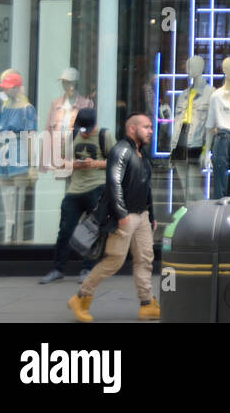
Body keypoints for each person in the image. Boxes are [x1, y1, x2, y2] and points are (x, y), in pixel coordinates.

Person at [67, 114, 158, 322]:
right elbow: (113, 184)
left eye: (151, 127)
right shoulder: (121, 151)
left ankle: (147, 304)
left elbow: (146, 186)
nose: (151, 130)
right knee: (114, 261)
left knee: (145, 259)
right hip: (125, 217)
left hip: (141, 215)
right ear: (132, 129)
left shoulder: (142, 155)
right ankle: (81, 297)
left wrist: (151, 214)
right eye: (146, 127)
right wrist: (121, 214)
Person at [41, 109, 114, 284]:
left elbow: (117, 161)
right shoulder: (72, 136)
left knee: (92, 231)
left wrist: (95, 163)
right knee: (65, 230)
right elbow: (59, 162)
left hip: (97, 187)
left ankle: (87, 268)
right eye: (82, 130)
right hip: (75, 189)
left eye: (88, 129)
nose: (86, 133)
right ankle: (58, 268)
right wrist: (73, 164)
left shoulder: (105, 135)